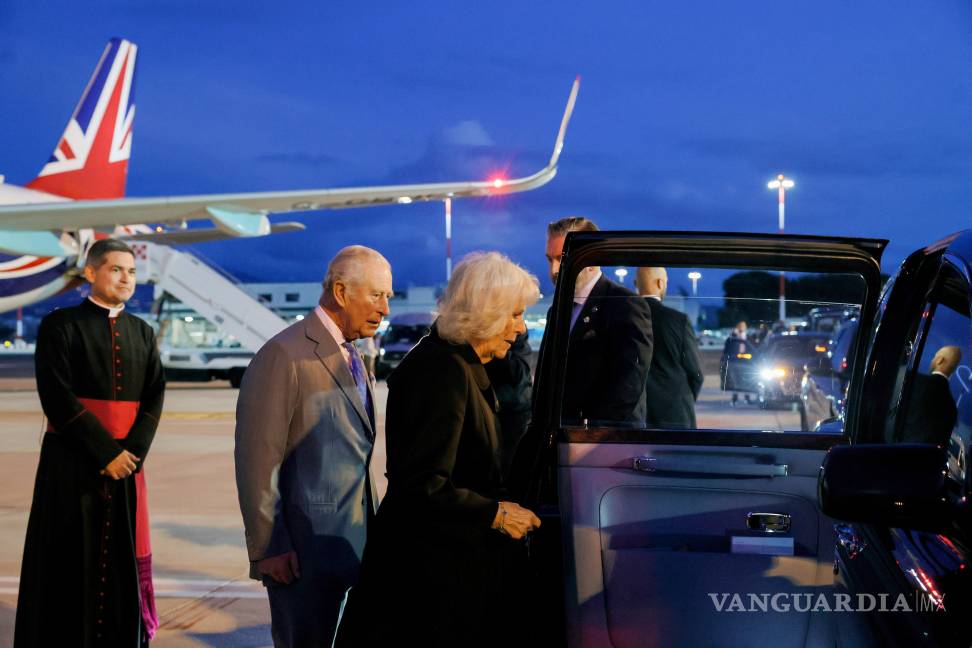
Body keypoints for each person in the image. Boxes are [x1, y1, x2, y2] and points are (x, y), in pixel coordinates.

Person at [336, 251, 542, 647]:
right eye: (515, 315)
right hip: (424, 584)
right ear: (487, 313)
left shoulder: (459, 364)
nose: (520, 328)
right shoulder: (441, 372)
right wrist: (495, 513)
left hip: (442, 573)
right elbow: (422, 485)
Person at [235, 245, 391, 647]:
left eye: (387, 297)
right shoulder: (285, 354)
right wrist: (270, 546)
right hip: (301, 553)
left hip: (353, 543)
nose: (385, 308)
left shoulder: (352, 353)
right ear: (341, 292)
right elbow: (257, 460)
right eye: (377, 295)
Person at [15, 238, 166, 646]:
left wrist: (131, 454)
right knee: (67, 561)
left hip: (127, 467)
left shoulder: (143, 332)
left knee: (119, 563)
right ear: (90, 273)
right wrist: (106, 453)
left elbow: (154, 396)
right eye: (116, 269)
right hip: (71, 463)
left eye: (131, 271)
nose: (126, 279)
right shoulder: (60, 326)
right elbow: (56, 395)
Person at [542, 216, 653, 425]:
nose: (554, 270)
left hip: (606, 438)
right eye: (550, 260)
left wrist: (587, 433)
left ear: (593, 259)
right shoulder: (556, 311)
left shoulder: (625, 305)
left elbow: (628, 386)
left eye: (562, 259)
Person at [636, 267, 703, 428]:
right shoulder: (678, 320)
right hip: (674, 415)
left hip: (634, 416)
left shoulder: (622, 319)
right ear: (660, 283)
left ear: (635, 283)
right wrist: (683, 399)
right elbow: (696, 373)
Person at [484, 328, 533, 477]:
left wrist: (498, 349)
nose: (521, 326)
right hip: (487, 406)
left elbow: (520, 372)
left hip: (513, 409)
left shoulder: (516, 330)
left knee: (508, 470)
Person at [899, 345, 962, 445]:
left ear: (940, 360)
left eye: (935, 356)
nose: (933, 360)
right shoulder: (952, 408)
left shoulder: (914, 381)